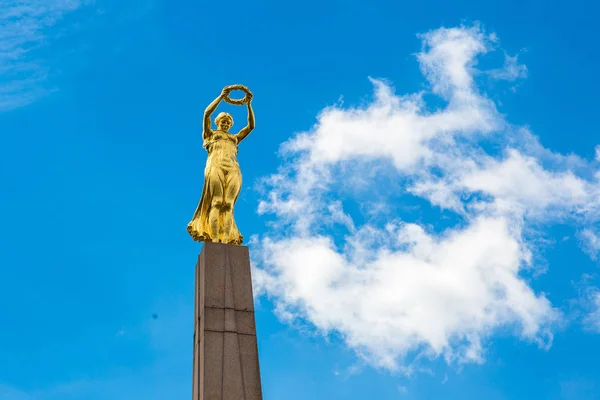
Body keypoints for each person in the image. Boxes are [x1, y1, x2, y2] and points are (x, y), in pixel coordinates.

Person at [187, 86, 255, 244]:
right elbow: (206, 114)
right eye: (223, 121)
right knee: (217, 202)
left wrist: (248, 104)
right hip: (215, 165)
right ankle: (215, 239)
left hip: (233, 168)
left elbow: (251, 127)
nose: (225, 123)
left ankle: (226, 239)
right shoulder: (210, 134)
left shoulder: (234, 138)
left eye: (228, 122)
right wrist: (221, 97)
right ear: (218, 122)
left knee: (228, 204)